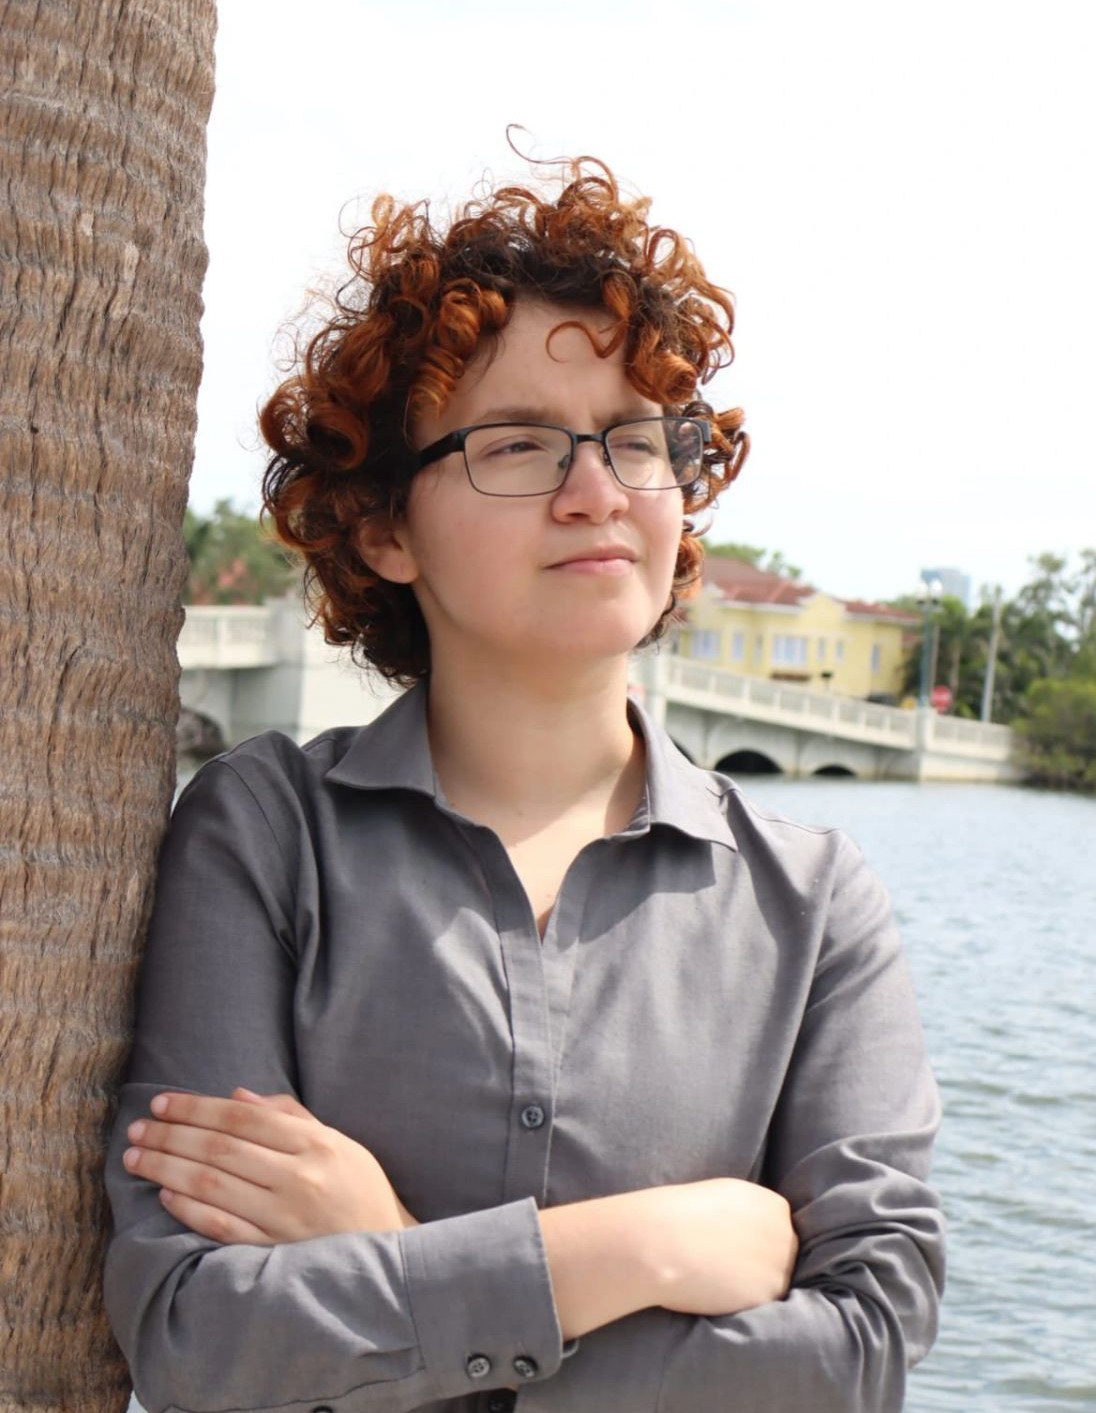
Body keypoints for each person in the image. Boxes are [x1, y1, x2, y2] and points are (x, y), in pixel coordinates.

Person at [104, 155, 945, 1413]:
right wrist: (642, 1250)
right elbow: (193, 1336)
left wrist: (390, 1246)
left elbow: (862, 1354)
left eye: (636, 443)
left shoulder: (812, 903)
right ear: (385, 528)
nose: (596, 493)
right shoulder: (267, 833)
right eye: (518, 446)